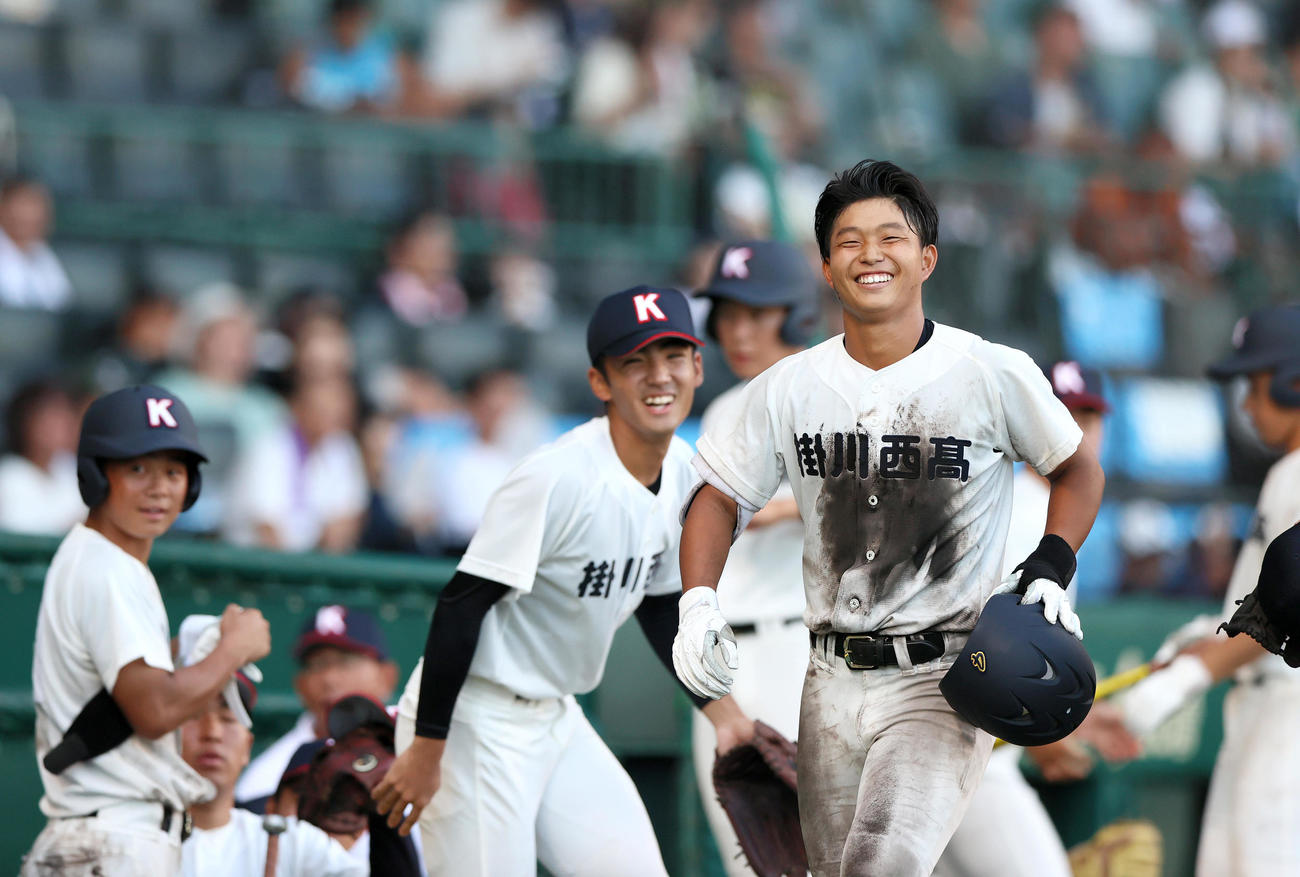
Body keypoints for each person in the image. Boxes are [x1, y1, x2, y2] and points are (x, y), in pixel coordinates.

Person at [671, 159, 1105, 877]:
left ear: (927, 257)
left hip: (939, 677)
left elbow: (1076, 465)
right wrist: (696, 600)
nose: (869, 254)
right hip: (827, 679)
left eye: (890, 237)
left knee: (882, 864)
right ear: (826, 266)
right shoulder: (789, 387)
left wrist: (1053, 561)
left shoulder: (990, 370)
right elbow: (716, 494)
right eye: (848, 240)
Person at [372, 286, 756, 876]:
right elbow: (461, 605)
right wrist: (428, 746)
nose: (660, 376)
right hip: (473, 719)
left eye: (674, 357)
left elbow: (660, 610)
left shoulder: (684, 472)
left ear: (698, 367)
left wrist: (724, 716)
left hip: (555, 715)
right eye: (636, 362)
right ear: (600, 382)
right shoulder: (556, 477)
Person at [22, 384, 270, 876]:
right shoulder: (109, 567)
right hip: (112, 844)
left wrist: (184, 656)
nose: (159, 488)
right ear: (96, 476)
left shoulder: (93, 559)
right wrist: (232, 653)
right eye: (137, 468)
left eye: (173, 472)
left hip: (96, 840)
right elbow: (155, 710)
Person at [935, 361, 1141, 877]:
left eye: (1088, 416)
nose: (1075, 428)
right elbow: (982, 652)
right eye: (1063, 412)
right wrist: (1051, 734)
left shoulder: (1049, 503)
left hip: (963, 749)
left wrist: (1080, 720)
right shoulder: (1018, 505)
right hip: (963, 749)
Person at [1119, 303, 1300, 875]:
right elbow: (1256, 606)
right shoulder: (1285, 471)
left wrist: (1176, 686)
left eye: (1256, 381)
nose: (1246, 402)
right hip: (1259, 707)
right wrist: (1205, 638)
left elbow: (1283, 620)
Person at [687, 238, 819, 875]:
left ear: (794, 313)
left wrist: (785, 503)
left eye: (755, 313)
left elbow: (889, 498)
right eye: (727, 315)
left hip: (798, 650)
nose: (737, 331)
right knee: (753, 862)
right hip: (721, 664)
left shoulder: (833, 388)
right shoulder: (721, 408)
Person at [178, 661, 362, 876]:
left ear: (247, 746)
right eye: (194, 716)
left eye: (228, 719)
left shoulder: (292, 843)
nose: (212, 733)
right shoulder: (134, 835)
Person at [236, 606, 398, 810]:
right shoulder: (266, 778)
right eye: (318, 665)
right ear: (300, 684)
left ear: (387, 677)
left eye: (346, 662)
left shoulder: (422, 757)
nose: (329, 679)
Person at [223, 375, 368, 553]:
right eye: (320, 410)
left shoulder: (342, 448)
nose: (328, 419)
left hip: (313, 565)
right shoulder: (268, 447)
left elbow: (348, 519)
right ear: (298, 408)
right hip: (256, 563)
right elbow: (266, 527)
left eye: (335, 413)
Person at [0, 378, 85, 534]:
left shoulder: (71, 467)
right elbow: (20, 540)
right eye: (51, 417)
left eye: (65, 415)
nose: (62, 424)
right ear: (26, 423)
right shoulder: (9, 476)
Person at [0, 175, 71, 310]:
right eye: (24, 203)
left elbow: (63, 305)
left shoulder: (43, 254)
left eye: (37, 204)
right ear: (3, 206)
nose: (31, 214)